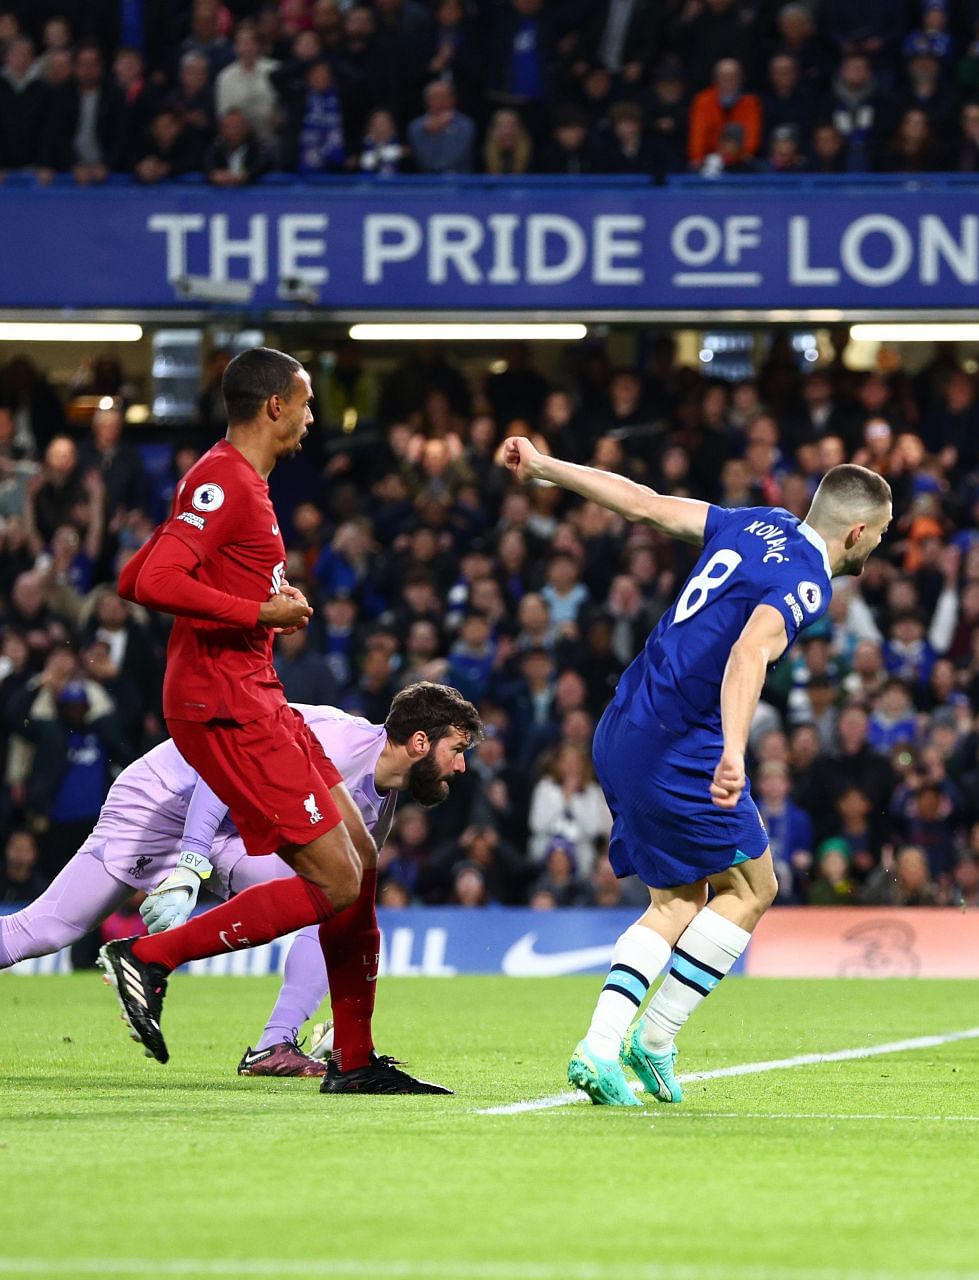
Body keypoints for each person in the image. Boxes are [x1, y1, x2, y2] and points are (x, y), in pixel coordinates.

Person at [496, 435, 891, 1107]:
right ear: (856, 532)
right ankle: (631, 1043)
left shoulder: (754, 524)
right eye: (880, 536)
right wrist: (735, 750)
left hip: (624, 723)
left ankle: (627, 1046)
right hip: (681, 744)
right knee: (753, 887)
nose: (877, 548)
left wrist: (544, 468)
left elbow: (644, 505)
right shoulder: (806, 578)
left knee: (680, 899)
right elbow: (748, 655)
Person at [99, 347, 447, 1095]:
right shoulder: (228, 479)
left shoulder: (226, 477)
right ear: (274, 407)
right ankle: (149, 957)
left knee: (360, 860)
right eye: (307, 401)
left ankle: (353, 1062)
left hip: (258, 693)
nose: (314, 416)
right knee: (333, 880)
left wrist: (240, 600)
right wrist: (259, 610)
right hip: (225, 704)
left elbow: (136, 573)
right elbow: (156, 582)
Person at [2, 689, 477, 1076]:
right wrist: (190, 862)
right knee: (47, 929)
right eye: (457, 750)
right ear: (418, 742)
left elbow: (352, 915)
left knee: (336, 890)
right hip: (164, 800)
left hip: (233, 832)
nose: (461, 767)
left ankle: (274, 1046)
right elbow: (221, 772)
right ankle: (151, 961)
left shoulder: (379, 805)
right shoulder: (335, 741)